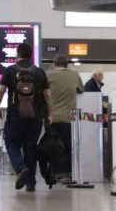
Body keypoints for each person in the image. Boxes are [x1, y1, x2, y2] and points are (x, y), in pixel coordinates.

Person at [0, 42, 52, 192]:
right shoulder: (39, 72)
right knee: (30, 148)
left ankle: (20, 169)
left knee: (11, 143)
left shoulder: (10, 70)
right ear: (31, 55)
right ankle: (31, 183)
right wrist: (49, 114)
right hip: (36, 116)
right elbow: (47, 95)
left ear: (17, 55)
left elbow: (0, 91)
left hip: (15, 116)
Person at [45, 54, 83, 183]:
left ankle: (55, 172)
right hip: (69, 117)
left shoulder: (48, 75)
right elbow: (81, 90)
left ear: (54, 64)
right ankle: (67, 173)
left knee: (53, 146)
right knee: (68, 145)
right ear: (67, 64)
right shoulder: (74, 75)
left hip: (52, 117)